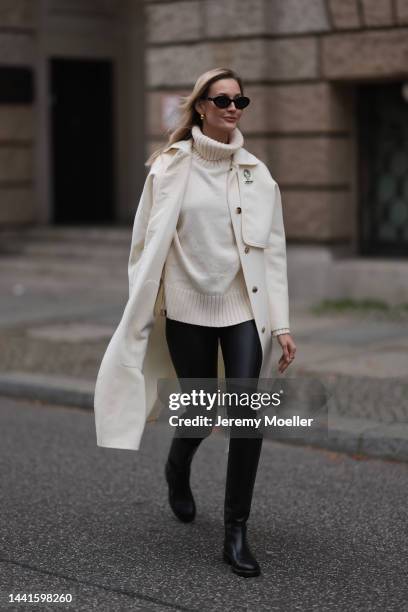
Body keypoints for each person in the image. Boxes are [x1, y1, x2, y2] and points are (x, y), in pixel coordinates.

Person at [145, 67, 297, 577]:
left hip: (242, 308)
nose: (233, 107)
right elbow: (145, 245)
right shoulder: (168, 168)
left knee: (246, 414)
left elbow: (272, 251)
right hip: (187, 306)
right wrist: (142, 304)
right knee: (202, 412)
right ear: (201, 106)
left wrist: (281, 325)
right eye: (223, 99)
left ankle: (236, 531)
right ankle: (177, 464)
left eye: (241, 100)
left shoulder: (257, 173)